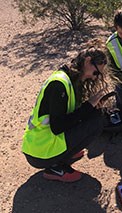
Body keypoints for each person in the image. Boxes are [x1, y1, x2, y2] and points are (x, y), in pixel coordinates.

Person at [22, 47, 109, 183]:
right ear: (87, 62)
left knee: (95, 115)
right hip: (40, 152)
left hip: (43, 145)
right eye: (95, 72)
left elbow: (70, 116)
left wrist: (91, 107)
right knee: (96, 122)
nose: (94, 77)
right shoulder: (59, 84)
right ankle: (55, 166)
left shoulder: (70, 78)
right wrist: (88, 106)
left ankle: (63, 154)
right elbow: (58, 127)